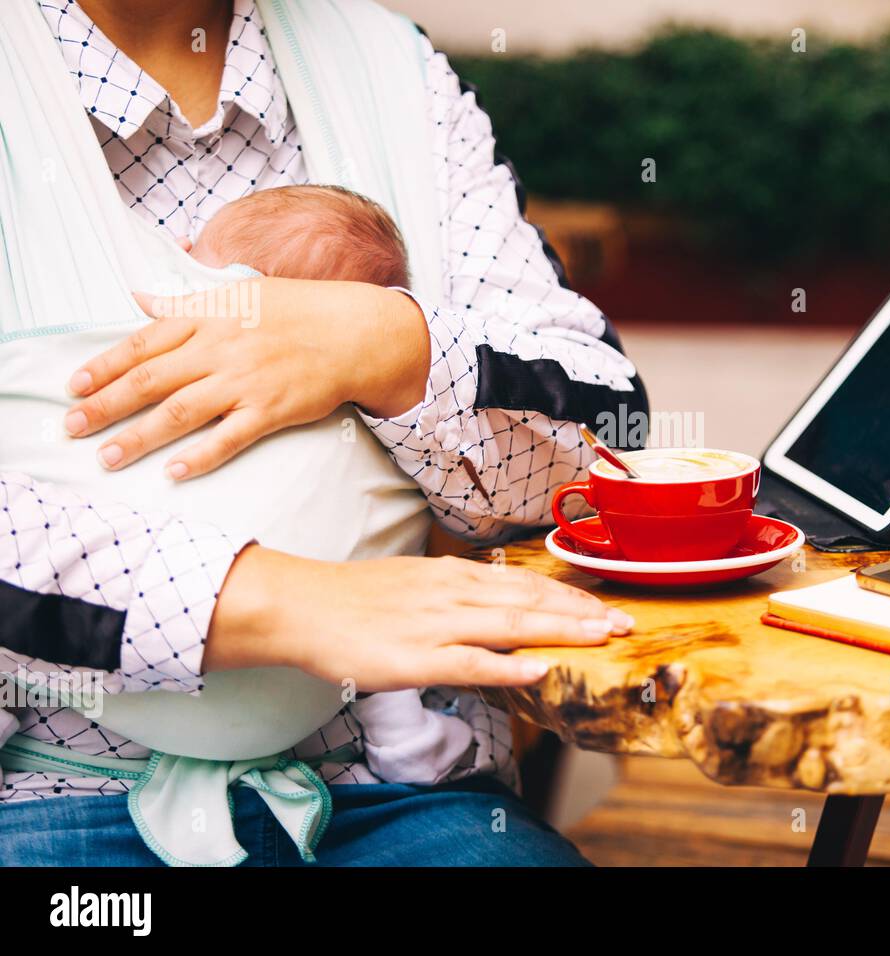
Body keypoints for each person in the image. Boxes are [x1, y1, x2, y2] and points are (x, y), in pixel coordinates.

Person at [0, 0, 647, 865]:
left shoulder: (392, 71)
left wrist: (387, 345)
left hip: (388, 795)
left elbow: (601, 444)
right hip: (46, 799)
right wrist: (276, 601)